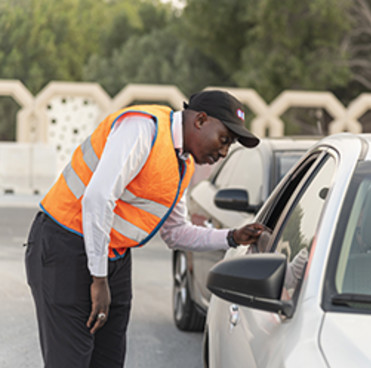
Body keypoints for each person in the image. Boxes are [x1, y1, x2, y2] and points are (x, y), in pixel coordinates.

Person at [24, 90, 264, 368]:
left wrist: (232, 237)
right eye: (224, 140)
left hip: (111, 257)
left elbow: (176, 233)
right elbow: (97, 198)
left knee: (109, 361)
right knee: (70, 361)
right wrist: (98, 279)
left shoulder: (182, 164)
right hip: (64, 247)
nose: (223, 152)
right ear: (200, 120)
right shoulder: (142, 128)